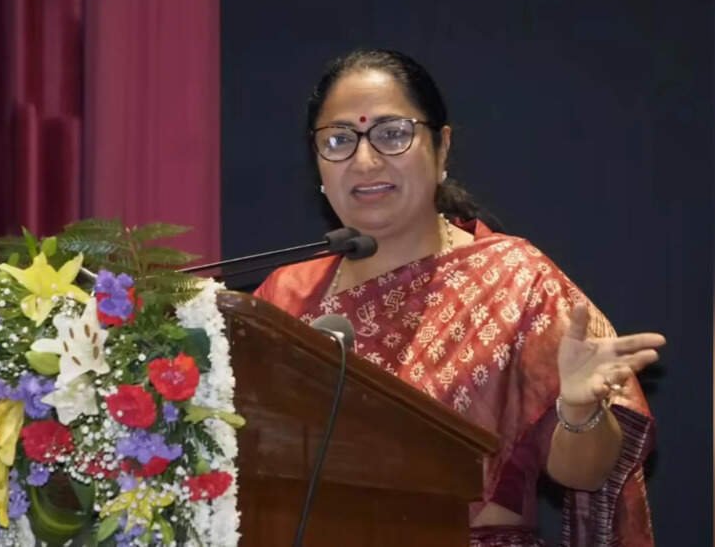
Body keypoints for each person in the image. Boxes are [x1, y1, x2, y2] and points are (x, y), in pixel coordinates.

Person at [253, 49, 665, 547]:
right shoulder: (285, 298)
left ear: (441, 148)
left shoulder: (516, 280)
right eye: (338, 140)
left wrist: (580, 411)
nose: (365, 160)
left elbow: (585, 474)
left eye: (392, 133)